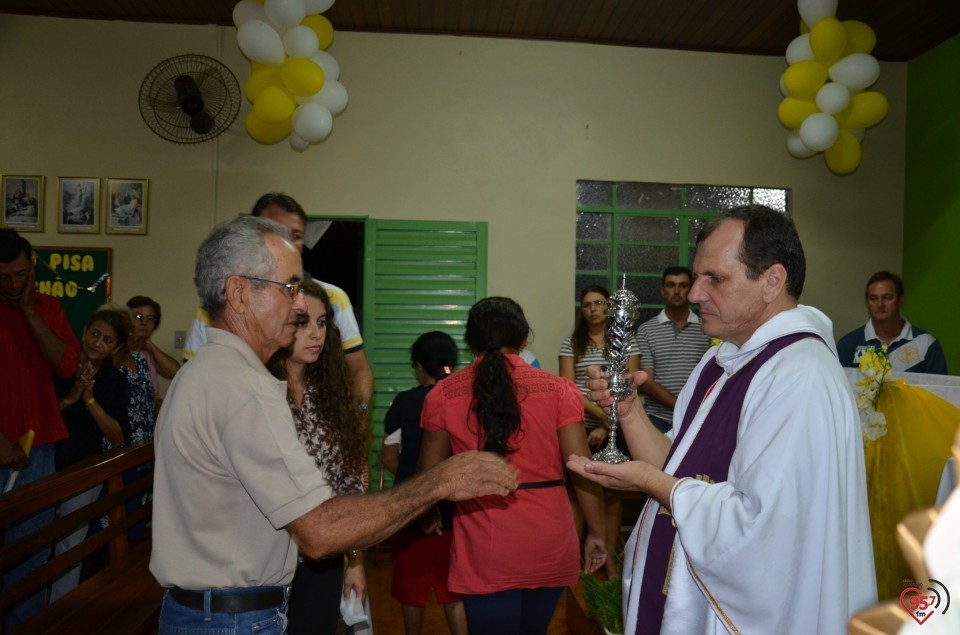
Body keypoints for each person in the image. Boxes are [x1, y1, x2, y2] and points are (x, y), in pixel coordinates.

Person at [150, 216, 517, 635]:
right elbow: (320, 530)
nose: (297, 304)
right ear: (239, 292)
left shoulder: (205, 373)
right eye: (288, 287)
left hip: (213, 612)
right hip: (231, 619)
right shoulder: (241, 388)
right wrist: (439, 482)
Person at [567, 205, 876, 635]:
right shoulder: (721, 359)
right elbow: (678, 464)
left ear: (772, 281)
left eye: (715, 278)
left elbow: (762, 529)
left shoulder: (800, 375)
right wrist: (630, 413)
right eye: (698, 277)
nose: (694, 294)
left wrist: (648, 483)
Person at [420, 296, 607, 635]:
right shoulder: (559, 390)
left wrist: (427, 512)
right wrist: (596, 531)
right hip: (550, 541)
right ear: (523, 340)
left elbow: (428, 475)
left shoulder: (443, 395)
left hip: (485, 547)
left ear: (471, 342)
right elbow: (582, 470)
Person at [183, 193, 374, 409]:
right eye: (276, 232)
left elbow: (359, 369)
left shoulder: (335, 298)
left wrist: (355, 420)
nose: (299, 308)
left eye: (296, 235)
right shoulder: (218, 305)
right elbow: (195, 377)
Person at [267, 280, 369, 634]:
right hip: (264, 559)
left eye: (322, 322)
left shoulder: (332, 397)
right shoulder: (259, 389)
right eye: (303, 322)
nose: (315, 334)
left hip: (322, 557)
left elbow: (349, 486)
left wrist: (354, 561)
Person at [0, 228, 80, 629]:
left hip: (38, 451)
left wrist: (30, 311)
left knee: (29, 560)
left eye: (20, 274)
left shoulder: (49, 308)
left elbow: (66, 366)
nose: (13, 285)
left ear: (32, 269)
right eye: (3, 277)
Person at [382, 331, 467, 635]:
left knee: (411, 593)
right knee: (453, 593)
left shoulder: (405, 402)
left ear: (419, 366)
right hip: (456, 513)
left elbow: (389, 457)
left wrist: (409, 477)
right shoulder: (464, 400)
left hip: (412, 512)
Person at [559, 284, 640, 578]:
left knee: (611, 495)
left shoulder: (626, 341)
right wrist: (604, 420)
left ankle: (609, 562)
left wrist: (609, 427)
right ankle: (575, 562)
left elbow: (629, 386)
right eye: (587, 304)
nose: (592, 309)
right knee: (580, 492)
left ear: (608, 307)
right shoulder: (572, 344)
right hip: (579, 425)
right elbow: (568, 390)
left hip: (617, 425)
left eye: (598, 303)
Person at [51, 309, 131, 600]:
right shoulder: (59, 365)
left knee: (69, 546)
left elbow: (117, 436)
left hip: (84, 470)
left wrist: (89, 400)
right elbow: (39, 416)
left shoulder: (115, 381)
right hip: (46, 464)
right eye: (95, 334)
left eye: (108, 340)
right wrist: (71, 397)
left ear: (116, 348)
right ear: (84, 332)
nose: (98, 343)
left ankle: (57, 610)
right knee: (32, 545)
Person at [635, 266, 711, 433]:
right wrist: (679, 406)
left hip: (697, 418)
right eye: (671, 285)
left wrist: (691, 410)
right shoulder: (646, 330)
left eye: (683, 286)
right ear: (663, 291)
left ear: (691, 290)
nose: (676, 291)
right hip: (658, 419)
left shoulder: (706, 328)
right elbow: (646, 381)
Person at [837, 271, 948, 375]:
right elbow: (839, 391)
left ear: (900, 300)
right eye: (873, 298)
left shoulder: (926, 344)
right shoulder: (848, 345)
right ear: (867, 302)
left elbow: (940, 392)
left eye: (887, 297)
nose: (880, 304)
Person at [125, 295, 181, 400]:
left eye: (150, 319)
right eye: (139, 317)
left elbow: (175, 372)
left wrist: (150, 346)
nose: (144, 323)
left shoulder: (149, 352)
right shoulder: (115, 348)